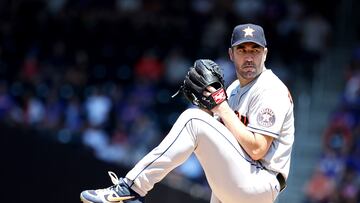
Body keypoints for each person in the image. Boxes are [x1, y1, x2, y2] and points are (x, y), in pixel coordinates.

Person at [80, 23, 295, 203]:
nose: (249, 57)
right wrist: (207, 106)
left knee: (192, 119)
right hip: (237, 178)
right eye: (242, 50)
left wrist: (220, 107)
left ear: (265, 53)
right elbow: (215, 138)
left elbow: (257, 149)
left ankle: (130, 189)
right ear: (231, 54)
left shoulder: (270, 89)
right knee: (196, 118)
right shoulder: (233, 90)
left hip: (259, 181)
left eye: (255, 50)